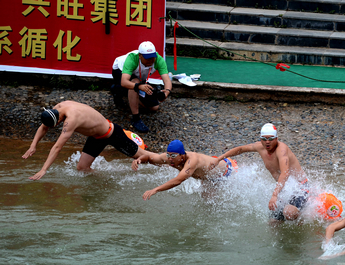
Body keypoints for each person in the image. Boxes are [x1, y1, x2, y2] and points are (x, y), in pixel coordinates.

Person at [22, 101, 155, 180]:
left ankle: (169, 162)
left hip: (112, 134)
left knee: (145, 156)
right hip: (96, 137)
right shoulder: (58, 108)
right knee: (82, 168)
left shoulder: (71, 119)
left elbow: (57, 147)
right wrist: (33, 146)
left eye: (56, 125)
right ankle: (111, 178)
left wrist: (44, 169)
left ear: (59, 121)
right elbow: (44, 126)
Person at [209, 123, 309, 221]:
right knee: (273, 223)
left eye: (270, 138)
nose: (267, 142)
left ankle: (305, 215)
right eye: (264, 139)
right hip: (283, 189)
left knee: (289, 213)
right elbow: (240, 149)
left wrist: (274, 195)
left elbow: (285, 173)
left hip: (299, 187)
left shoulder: (281, 150)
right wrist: (219, 159)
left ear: (276, 139)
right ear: (261, 139)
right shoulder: (260, 147)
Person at [131, 139, 238, 200]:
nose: (169, 159)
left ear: (182, 156)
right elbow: (150, 158)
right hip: (208, 177)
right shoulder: (170, 157)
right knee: (208, 204)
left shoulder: (192, 161)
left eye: (173, 156)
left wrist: (155, 189)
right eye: (168, 155)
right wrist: (139, 159)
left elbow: (178, 180)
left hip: (227, 170)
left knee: (236, 197)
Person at [116, 41, 173, 133]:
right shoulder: (132, 59)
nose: (150, 60)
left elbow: (167, 80)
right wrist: (139, 86)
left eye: (152, 58)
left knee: (154, 107)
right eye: (147, 58)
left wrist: (166, 91)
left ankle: (127, 95)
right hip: (119, 71)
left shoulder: (159, 59)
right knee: (135, 83)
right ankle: (136, 118)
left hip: (138, 75)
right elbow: (124, 81)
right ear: (140, 56)